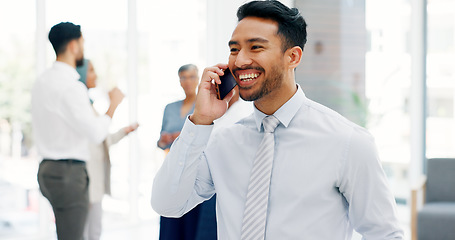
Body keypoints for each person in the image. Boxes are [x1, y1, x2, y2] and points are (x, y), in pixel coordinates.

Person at [151, 1, 404, 239]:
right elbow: (167, 204)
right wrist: (200, 120)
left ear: (292, 57)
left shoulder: (348, 142)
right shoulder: (222, 141)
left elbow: (384, 234)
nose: (239, 61)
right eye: (234, 49)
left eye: (256, 47)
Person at [31, 22, 124, 240]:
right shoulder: (71, 86)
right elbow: (95, 134)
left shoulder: (42, 81)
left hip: (47, 169)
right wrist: (113, 105)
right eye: (82, 42)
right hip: (68, 174)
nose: (83, 48)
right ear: (73, 45)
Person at [76, 59, 139, 240]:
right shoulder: (80, 107)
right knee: (86, 232)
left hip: (93, 182)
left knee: (94, 231)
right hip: (85, 181)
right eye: (91, 71)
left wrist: (125, 131)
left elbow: (102, 140)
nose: (95, 75)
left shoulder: (88, 105)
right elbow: (96, 136)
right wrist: (114, 104)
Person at [156, 64, 203, 240]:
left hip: (194, 173)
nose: (188, 81)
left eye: (191, 77)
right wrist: (163, 140)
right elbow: (160, 142)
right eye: (183, 77)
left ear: (198, 79)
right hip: (171, 171)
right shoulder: (170, 108)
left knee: (191, 226)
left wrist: (182, 136)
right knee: (170, 226)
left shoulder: (204, 105)